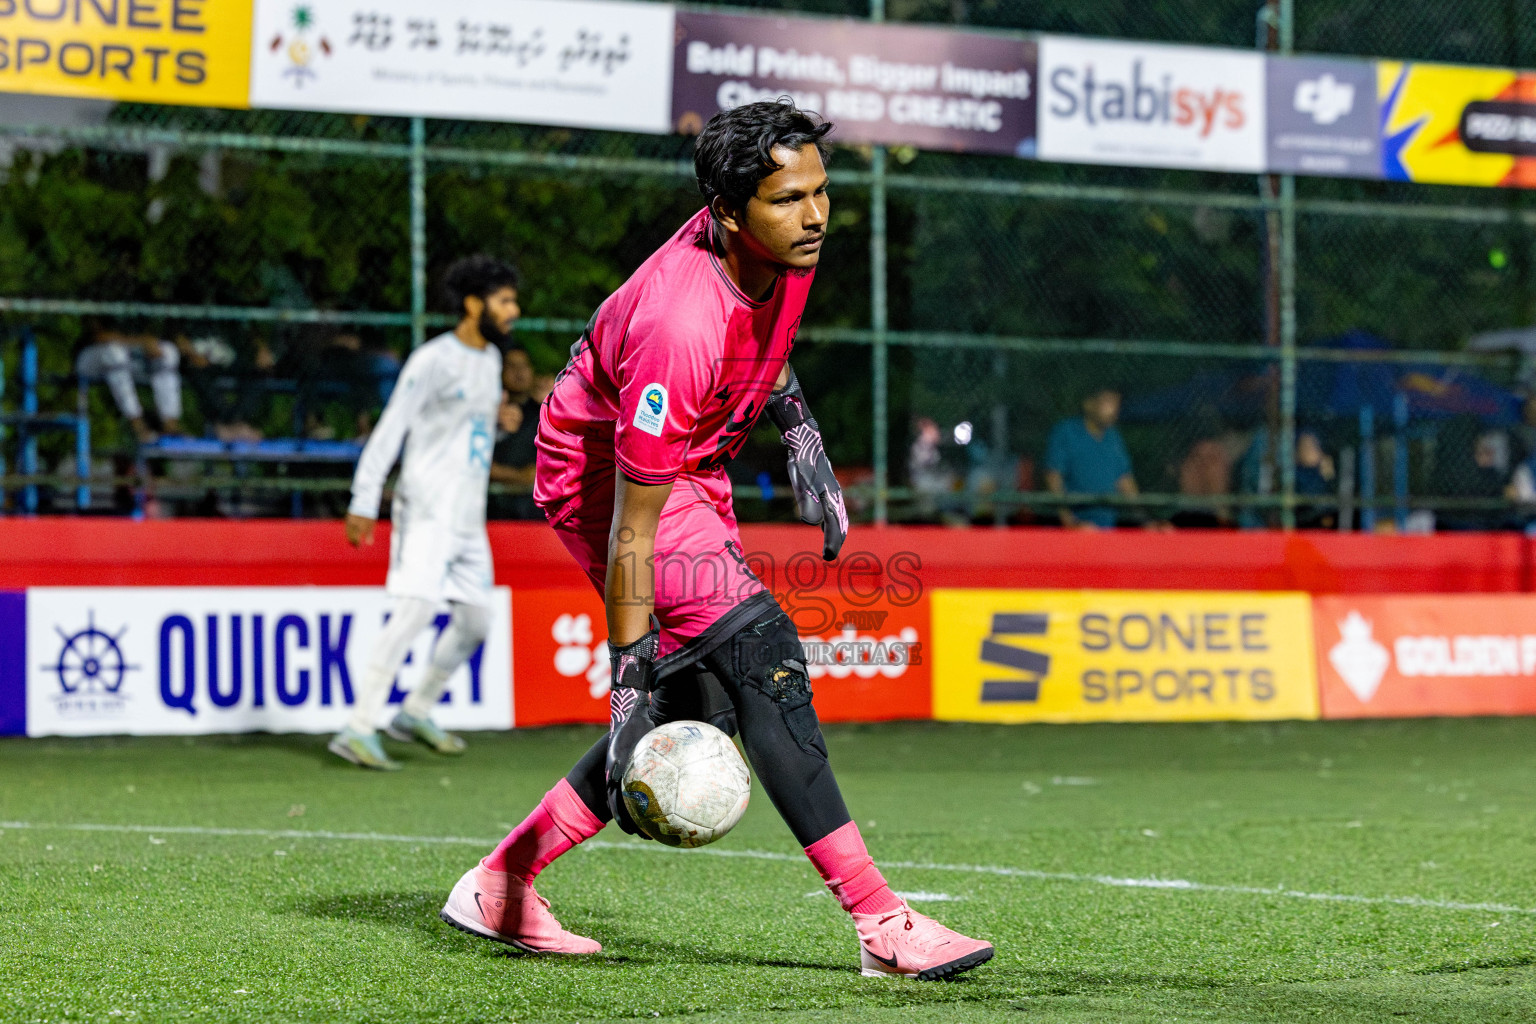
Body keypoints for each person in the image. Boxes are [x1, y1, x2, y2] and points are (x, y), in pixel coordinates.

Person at [436, 101, 993, 980]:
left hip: (697, 461)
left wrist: (798, 425)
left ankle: (502, 883)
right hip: (607, 477)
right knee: (764, 651)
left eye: (821, 191)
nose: (814, 215)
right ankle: (881, 922)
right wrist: (625, 692)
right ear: (730, 214)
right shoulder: (677, 325)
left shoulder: (780, 240)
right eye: (788, 200)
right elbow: (631, 528)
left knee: (708, 699)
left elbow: (762, 334)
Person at [329, 255, 520, 770]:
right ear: (473, 303)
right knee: (414, 611)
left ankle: (414, 711)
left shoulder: (490, 361)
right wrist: (364, 500)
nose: (514, 311)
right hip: (428, 506)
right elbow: (392, 427)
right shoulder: (433, 358)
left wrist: (501, 424)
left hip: (466, 516)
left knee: (477, 622)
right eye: (504, 301)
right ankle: (359, 726)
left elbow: (469, 433)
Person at [75, 320, 184, 444]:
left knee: (169, 352)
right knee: (115, 353)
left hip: (126, 355)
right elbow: (99, 336)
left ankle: (170, 425)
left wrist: (150, 346)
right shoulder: (103, 304)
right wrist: (142, 342)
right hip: (89, 359)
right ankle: (138, 425)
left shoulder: (145, 306)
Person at [1044, 387, 1136, 529]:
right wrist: (1071, 524)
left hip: (1108, 530)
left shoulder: (1114, 438)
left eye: (1117, 403)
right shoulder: (1066, 432)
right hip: (1073, 532)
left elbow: (1124, 481)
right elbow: (1053, 478)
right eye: (1108, 402)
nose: (1114, 410)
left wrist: (1145, 521)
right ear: (1089, 404)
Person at [489, 347, 539, 520]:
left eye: (524, 366)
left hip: (534, 518)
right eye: (511, 366)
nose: (519, 372)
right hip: (493, 512)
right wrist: (520, 477)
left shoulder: (546, 415)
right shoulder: (486, 414)